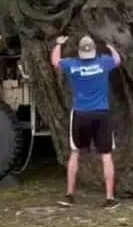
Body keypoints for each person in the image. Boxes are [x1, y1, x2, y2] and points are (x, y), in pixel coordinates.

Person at [51, 34, 122, 209]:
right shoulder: (104, 62)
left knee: (75, 153)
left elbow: (55, 61)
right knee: (106, 156)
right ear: (94, 51)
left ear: (80, 52)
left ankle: (69, 195)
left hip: (81, 114)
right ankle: (110, 198)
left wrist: (59, 45)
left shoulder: (72, 65)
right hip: (101, 114)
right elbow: (118, 60)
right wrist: (110, 46)